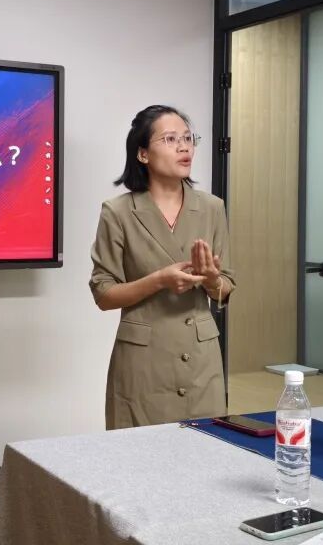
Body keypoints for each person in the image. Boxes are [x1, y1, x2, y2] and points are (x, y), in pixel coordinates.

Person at [89, 105, 236, 429]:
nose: (184, 147)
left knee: (205, 451)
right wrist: (158, 280)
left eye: (188, 138)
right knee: (138, 454)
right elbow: (103, 293)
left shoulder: (212, 207)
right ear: (143, 154)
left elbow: (225, 287)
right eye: (170, 139)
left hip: (201, 362)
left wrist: (212, 280)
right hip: (142, 364)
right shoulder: (118, 212)